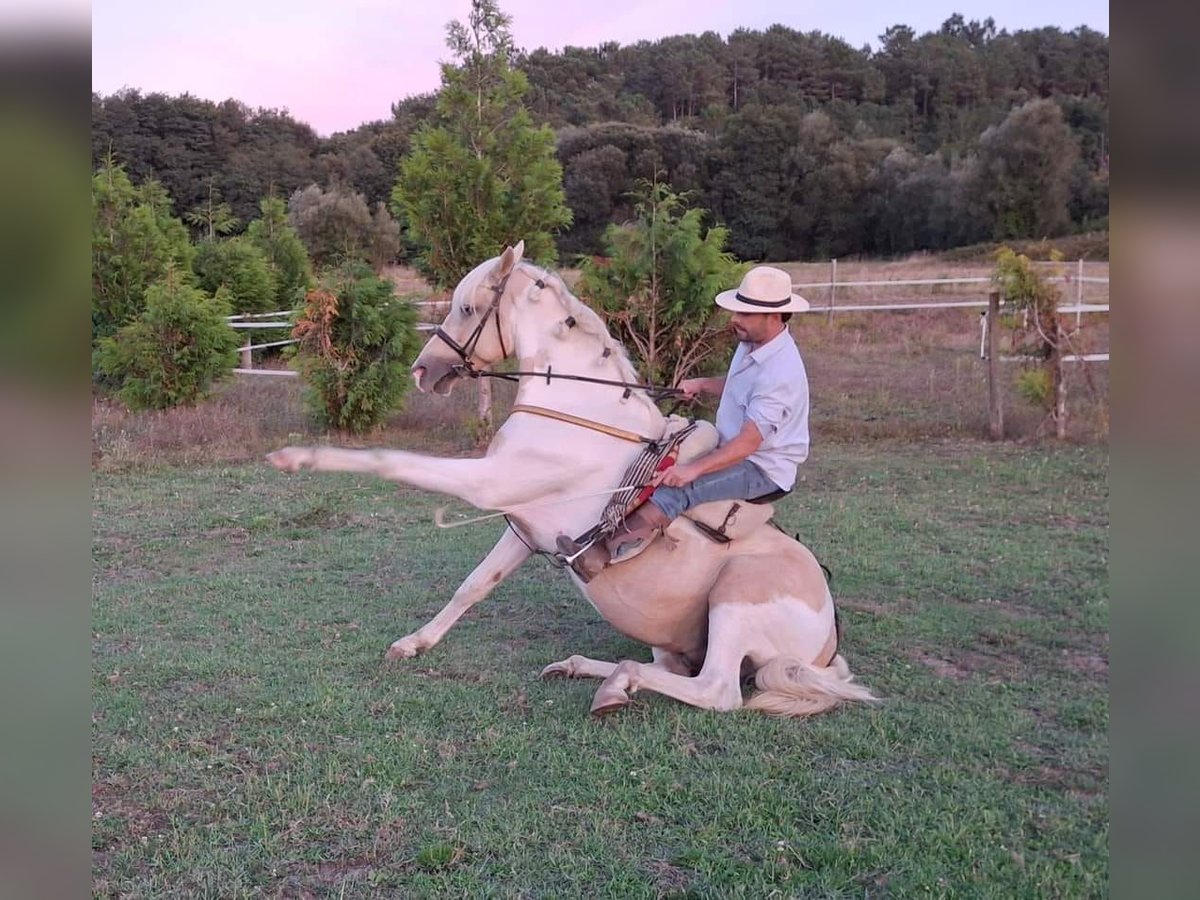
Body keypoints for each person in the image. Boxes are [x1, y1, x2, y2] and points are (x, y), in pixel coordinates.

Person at [558, 265, 811, 581]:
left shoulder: (780, 373)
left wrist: (692, 469)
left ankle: (602, 554)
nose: (734, 319)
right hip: (737, 447)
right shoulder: (754, 345)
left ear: (774, 317)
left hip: (762, 468)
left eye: (745, 314)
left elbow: (748, 444)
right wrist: (703, 384)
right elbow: (743, 386)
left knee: (679, 488)